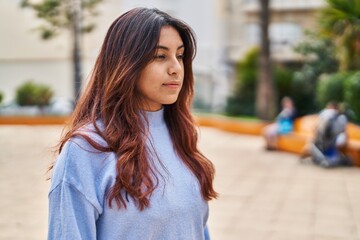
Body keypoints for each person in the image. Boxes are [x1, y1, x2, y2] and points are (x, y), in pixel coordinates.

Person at [47, 8, 217, 240]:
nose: (176, 68)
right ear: (127, 63)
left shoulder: (180, 136)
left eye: (179, 55)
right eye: (160, 56)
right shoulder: (86, 149)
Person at [308, 101, 350, 167]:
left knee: (312, 146)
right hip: (329, 142)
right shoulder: (340, 118)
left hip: (327, 142)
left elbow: (316, 128)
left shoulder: (327, 114)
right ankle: (332, 160)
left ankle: (327, 160)